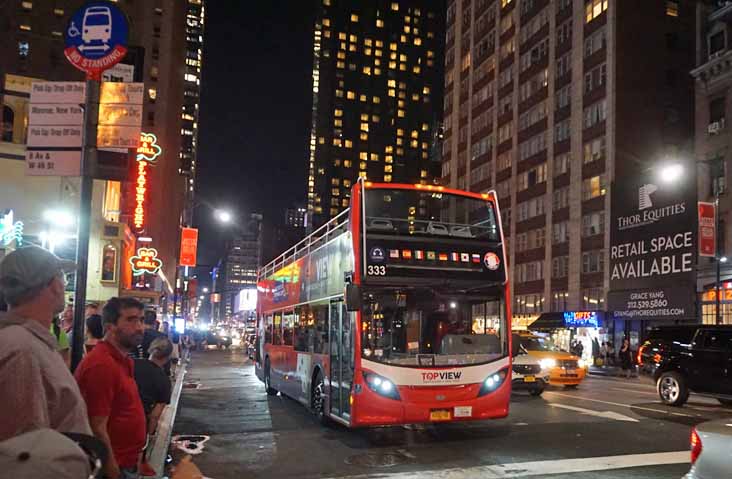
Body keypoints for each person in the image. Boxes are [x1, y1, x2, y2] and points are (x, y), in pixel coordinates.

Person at [0, 246, 91, 441]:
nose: (64, 286)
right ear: (55, 285)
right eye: (63, 279)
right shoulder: (22, 349)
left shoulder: (28, 342)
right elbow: (25, 448)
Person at [75, 297, 147, 479]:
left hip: (128, 462)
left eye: (141, 320)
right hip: (114, 466)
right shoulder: (102, 365)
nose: (139, 327)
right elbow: (96, 426)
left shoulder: (122, 360)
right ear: (109, 326)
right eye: (131, 320)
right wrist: (113, 471)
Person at [134, 337, 173, 478]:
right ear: (168, 357)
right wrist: (150, 434)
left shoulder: (132, 363)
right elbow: (155, 415)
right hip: (140, 421)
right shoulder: (164, 381)